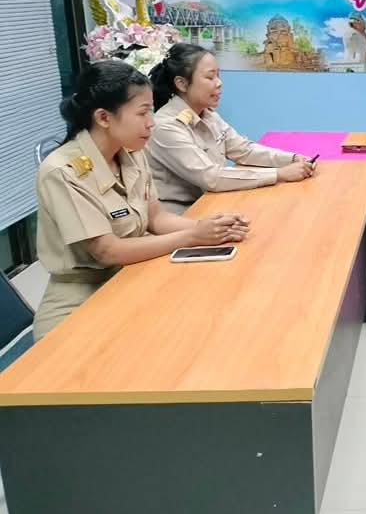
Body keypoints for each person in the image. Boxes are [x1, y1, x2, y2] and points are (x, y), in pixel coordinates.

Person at [33, 60, 250, 340]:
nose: (151, 122)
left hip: (131, 275)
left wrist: (212, 228)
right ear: (103, 118)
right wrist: (193, 236)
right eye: (143, 112)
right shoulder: (63, 172)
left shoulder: (131, 152)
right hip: (82, 296)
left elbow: (156, 218)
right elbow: (108, 251)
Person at [146, 43, 315, 214]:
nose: (219, 83)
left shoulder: (208, 115)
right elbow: (211, 177)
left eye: (218, 76)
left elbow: (243, 150)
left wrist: (292, 159)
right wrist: (279, 174)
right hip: (184, 215)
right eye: (210, 77)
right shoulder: (166, 126)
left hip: (213, 202)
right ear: (182, 84)